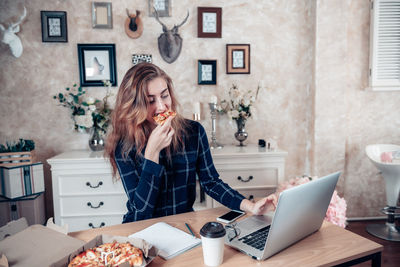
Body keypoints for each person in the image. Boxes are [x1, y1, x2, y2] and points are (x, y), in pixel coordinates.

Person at [105, 62, 277, 223]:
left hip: (184, 224)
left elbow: (211, 183)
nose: (162, 107)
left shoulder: (193, 132)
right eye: (150, 101)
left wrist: (251, 207)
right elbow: (141, 211)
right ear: (134, 106)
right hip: (141, 227)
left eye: (164, 96)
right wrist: (152, 154)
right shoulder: (124, 145)